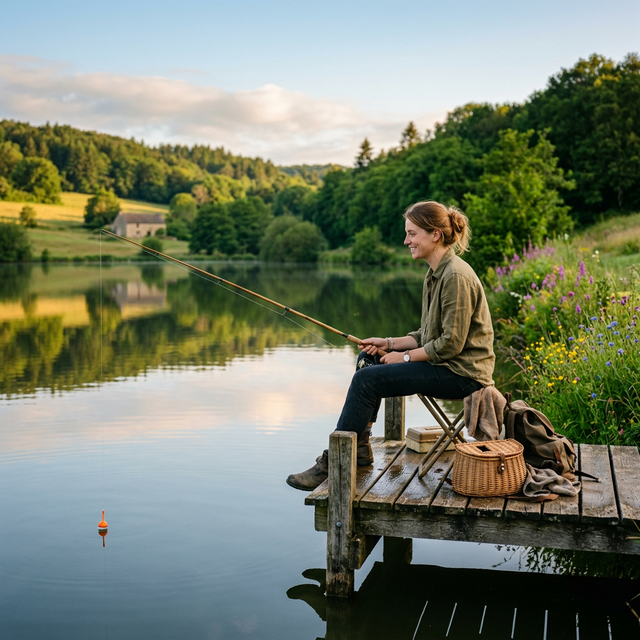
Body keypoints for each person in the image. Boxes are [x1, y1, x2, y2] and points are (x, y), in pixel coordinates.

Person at [286, 200, 495, 491]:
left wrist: (405, 358)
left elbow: (451, 344)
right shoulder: (435, 273)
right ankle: (359, 449)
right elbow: (427, 334)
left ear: (435, 235)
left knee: (366, 382)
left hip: (462, 374)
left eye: (412, 233)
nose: (406, 240)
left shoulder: (455, 276)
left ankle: (333, 462)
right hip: (445, 364)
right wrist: (385, 343)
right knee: (367, 360)